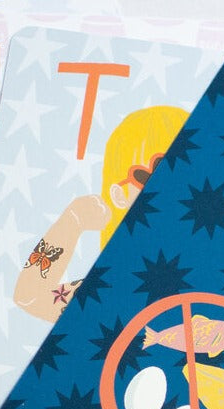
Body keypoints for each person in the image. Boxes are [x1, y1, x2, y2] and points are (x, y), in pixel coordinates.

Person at [13, 105, 189, 322]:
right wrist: (71, 222)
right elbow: (30, 298)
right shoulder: (116, 285)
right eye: (149, 176)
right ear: (119, 195)